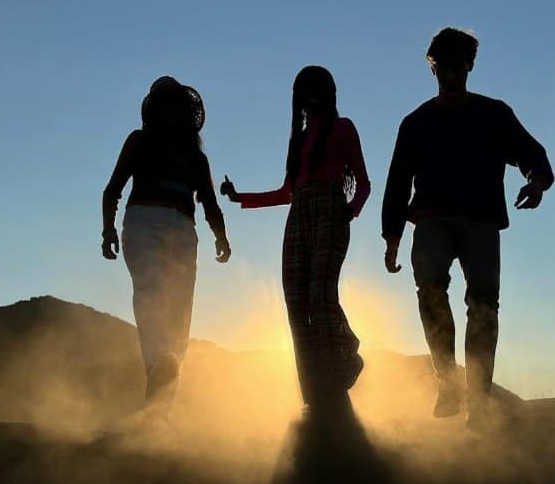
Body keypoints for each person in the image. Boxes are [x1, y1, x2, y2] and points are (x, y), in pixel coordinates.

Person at [382, 28, 554, 430]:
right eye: (442, 67)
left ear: (469, 66)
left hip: (480, 220)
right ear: (433, 68)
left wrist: (537, 182)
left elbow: (533, 154)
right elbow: (397, 180)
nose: (449, 74)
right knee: (430, 293)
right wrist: (392, 236)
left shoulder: (493, 114)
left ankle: (478, 395)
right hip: (430, 221)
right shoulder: (417, 122)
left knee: (484, 305)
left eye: (457, 66)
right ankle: (448, 381)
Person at [220, 66, 370, 410]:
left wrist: (349, 210)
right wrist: (239, 196)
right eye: (305, 90)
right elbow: (287, 192)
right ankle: (314, 391)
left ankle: (346, 360)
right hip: (299, 214)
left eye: (317, 89)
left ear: (328, 93)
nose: (311, 96)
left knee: (320, 293)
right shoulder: (300, 140)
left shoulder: (343, 127)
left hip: (331, 211)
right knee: (294, 300)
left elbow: (364, 182)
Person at [102, 76, 231, 420]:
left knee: (179, 312)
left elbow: (209, 202)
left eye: (176, 103)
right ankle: (159, 366)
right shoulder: (138, 142)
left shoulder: (195, 158)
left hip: (183, 230)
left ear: (185, 111)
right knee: (151, 292)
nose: (170, 109)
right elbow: (113, 189)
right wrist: (107, 230)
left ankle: (159, 411)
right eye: (165, 103)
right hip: (142, 222)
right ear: (155, 109)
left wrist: (221, 236)